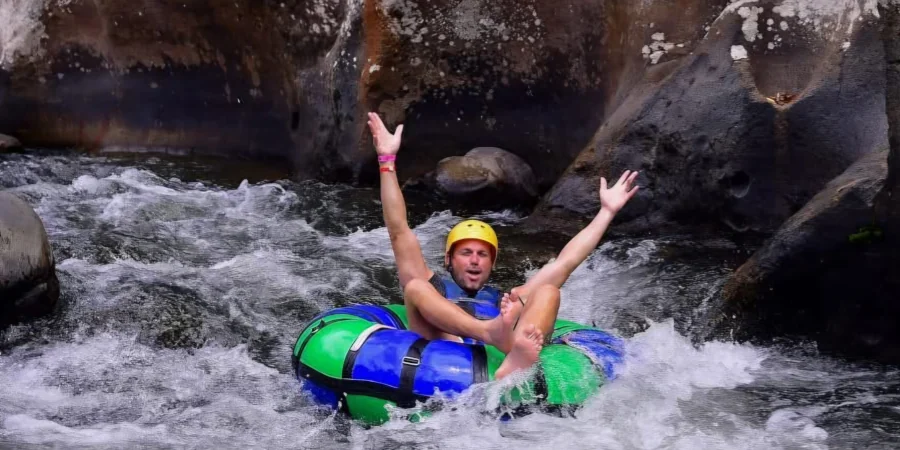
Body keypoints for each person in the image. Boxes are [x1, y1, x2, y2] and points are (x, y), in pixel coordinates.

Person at [367, 112, 639, 380]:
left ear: (492, 263)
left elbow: (565, 263)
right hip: (442, 350)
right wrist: (386, 161)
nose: (475, 260)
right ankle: (489, 333)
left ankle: (517, 364)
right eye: (466, 253)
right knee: (415, 287)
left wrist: (606, 212)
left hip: (497, 356)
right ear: (449, 259)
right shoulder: (432, 284)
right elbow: (398, 231)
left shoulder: (506, 301)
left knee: (547, 291)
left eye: (483, 254)